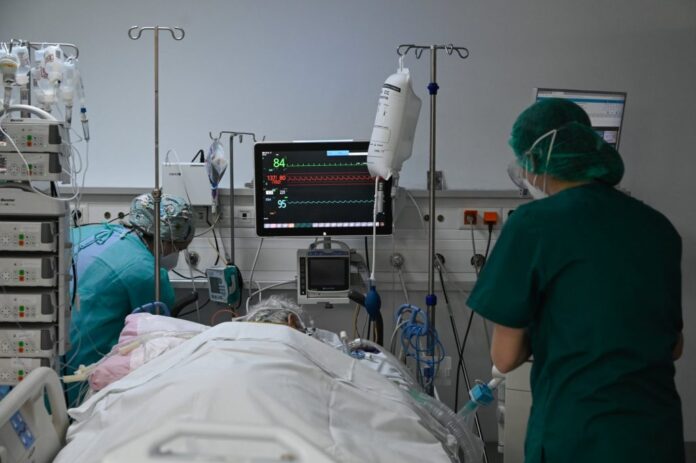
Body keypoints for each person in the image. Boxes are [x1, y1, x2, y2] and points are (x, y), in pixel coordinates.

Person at [467, 98, 684, 463]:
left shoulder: (532, 224)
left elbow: (505, 357)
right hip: (655, 434)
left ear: (538, 158)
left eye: (524, 161)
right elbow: (674, 346)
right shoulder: (658, 227)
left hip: (579, 434)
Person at [66, 193, 194, 405]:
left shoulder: (90, 232)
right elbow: (154, 343)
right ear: (164, 240)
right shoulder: (148, 273)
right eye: (177, 247)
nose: (176, 254)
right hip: (81, 371)